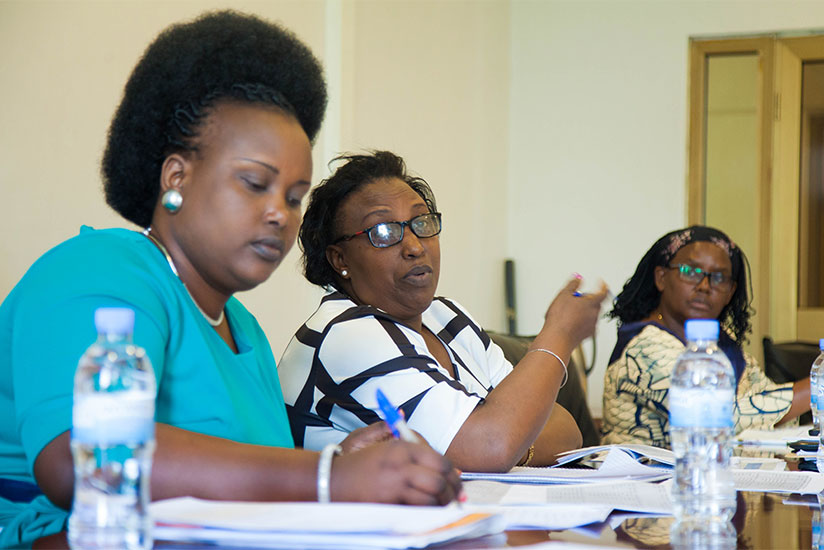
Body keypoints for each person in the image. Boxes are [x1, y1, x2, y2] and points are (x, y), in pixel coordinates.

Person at [0, 11, 461, 547]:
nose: (279, 214)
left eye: (294, 197)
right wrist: (325, 478)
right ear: (177, 177)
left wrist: (333, 461)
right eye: (254, 184)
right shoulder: (97, 270)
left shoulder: (243, 330)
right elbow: (84, 463)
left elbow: (234, 479)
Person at [278, 151, 607, 473]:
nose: (415, 246)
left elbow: (565, 430)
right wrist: (559, 334)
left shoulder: (445, 317)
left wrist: (510, 447)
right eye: (383, 231)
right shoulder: (346, 333)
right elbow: (493, 444)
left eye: (421, 222)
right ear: (340, 259)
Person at [601, 225, 811, 447]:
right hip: (647, 478)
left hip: (717, 474)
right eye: (690, 272)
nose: (704, 286)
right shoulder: (644, 345)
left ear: (730, 292)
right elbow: (714, 419)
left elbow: (776, 409)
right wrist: (816, 387)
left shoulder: (721, 344)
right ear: (661, 278)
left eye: (719, 278)